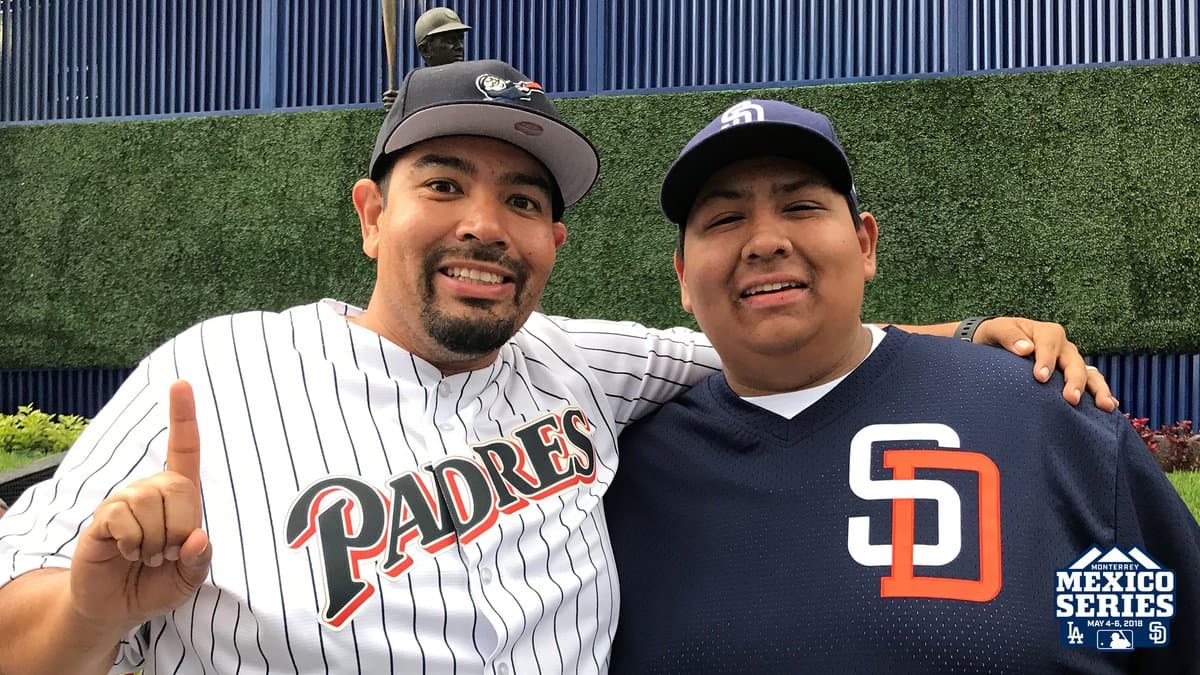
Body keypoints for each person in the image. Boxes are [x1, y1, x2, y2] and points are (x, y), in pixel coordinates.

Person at [0, 61, 1112, 675]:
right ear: (371, 213)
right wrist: (91, 616)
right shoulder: (216, 369)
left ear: (554, 241)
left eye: (524, 200)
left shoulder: (583, 363)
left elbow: (774, 330)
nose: (485, 224)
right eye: (444, 183)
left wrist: (975, 334)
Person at [604, 99, 1200, 673]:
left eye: (801, 206)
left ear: (865, 244)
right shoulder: (621, 477)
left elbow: (1164, 642)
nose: (765, 242)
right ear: (683, 278)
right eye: (725, 219)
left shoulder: (1046, 419)